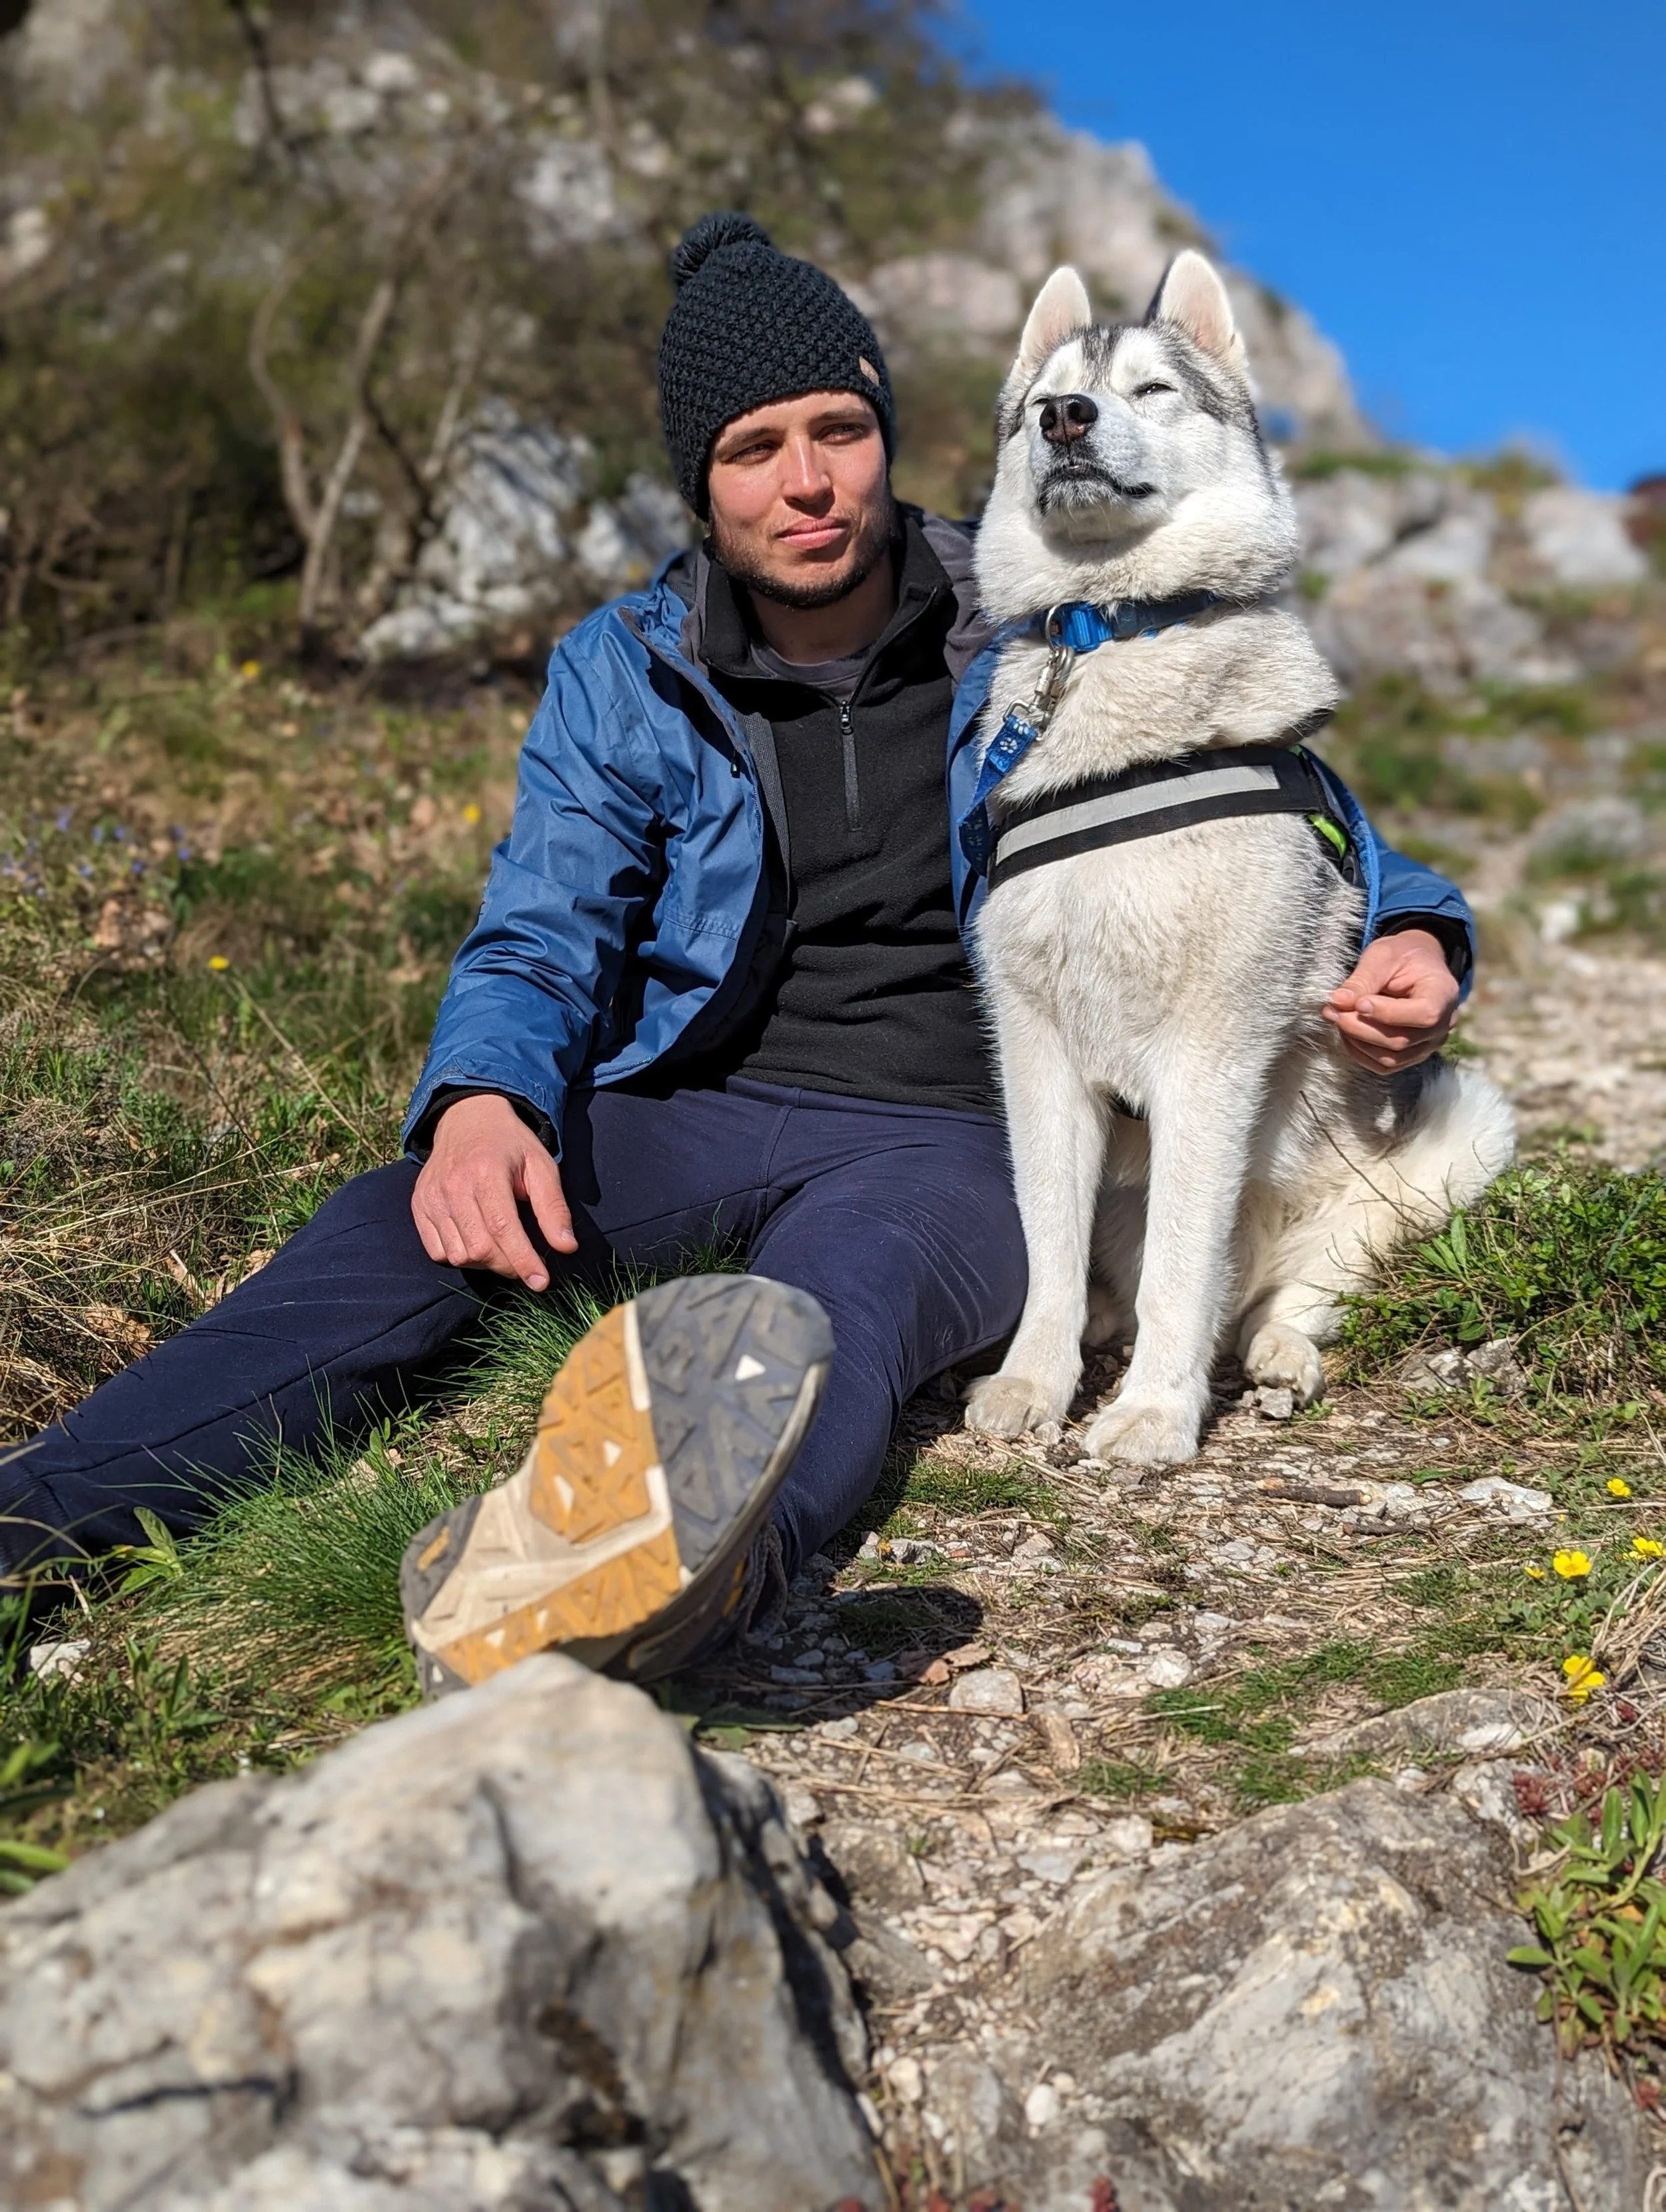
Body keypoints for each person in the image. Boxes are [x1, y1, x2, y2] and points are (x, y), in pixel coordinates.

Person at [0, 213, 1474, 1690]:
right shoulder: (625, 664)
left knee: (835, 1314)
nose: (808, 480)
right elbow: (542, 921)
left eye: (839, 428)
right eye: (752, 448)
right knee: (396, 1227)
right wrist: (480, 1100)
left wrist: (1413, 921)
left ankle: (669, 1592)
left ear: (887, 434)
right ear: (699, 486)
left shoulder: (1028, 616)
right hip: (688, 1104)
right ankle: (36, 1523)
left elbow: (1273, 800)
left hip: (946, 1141)